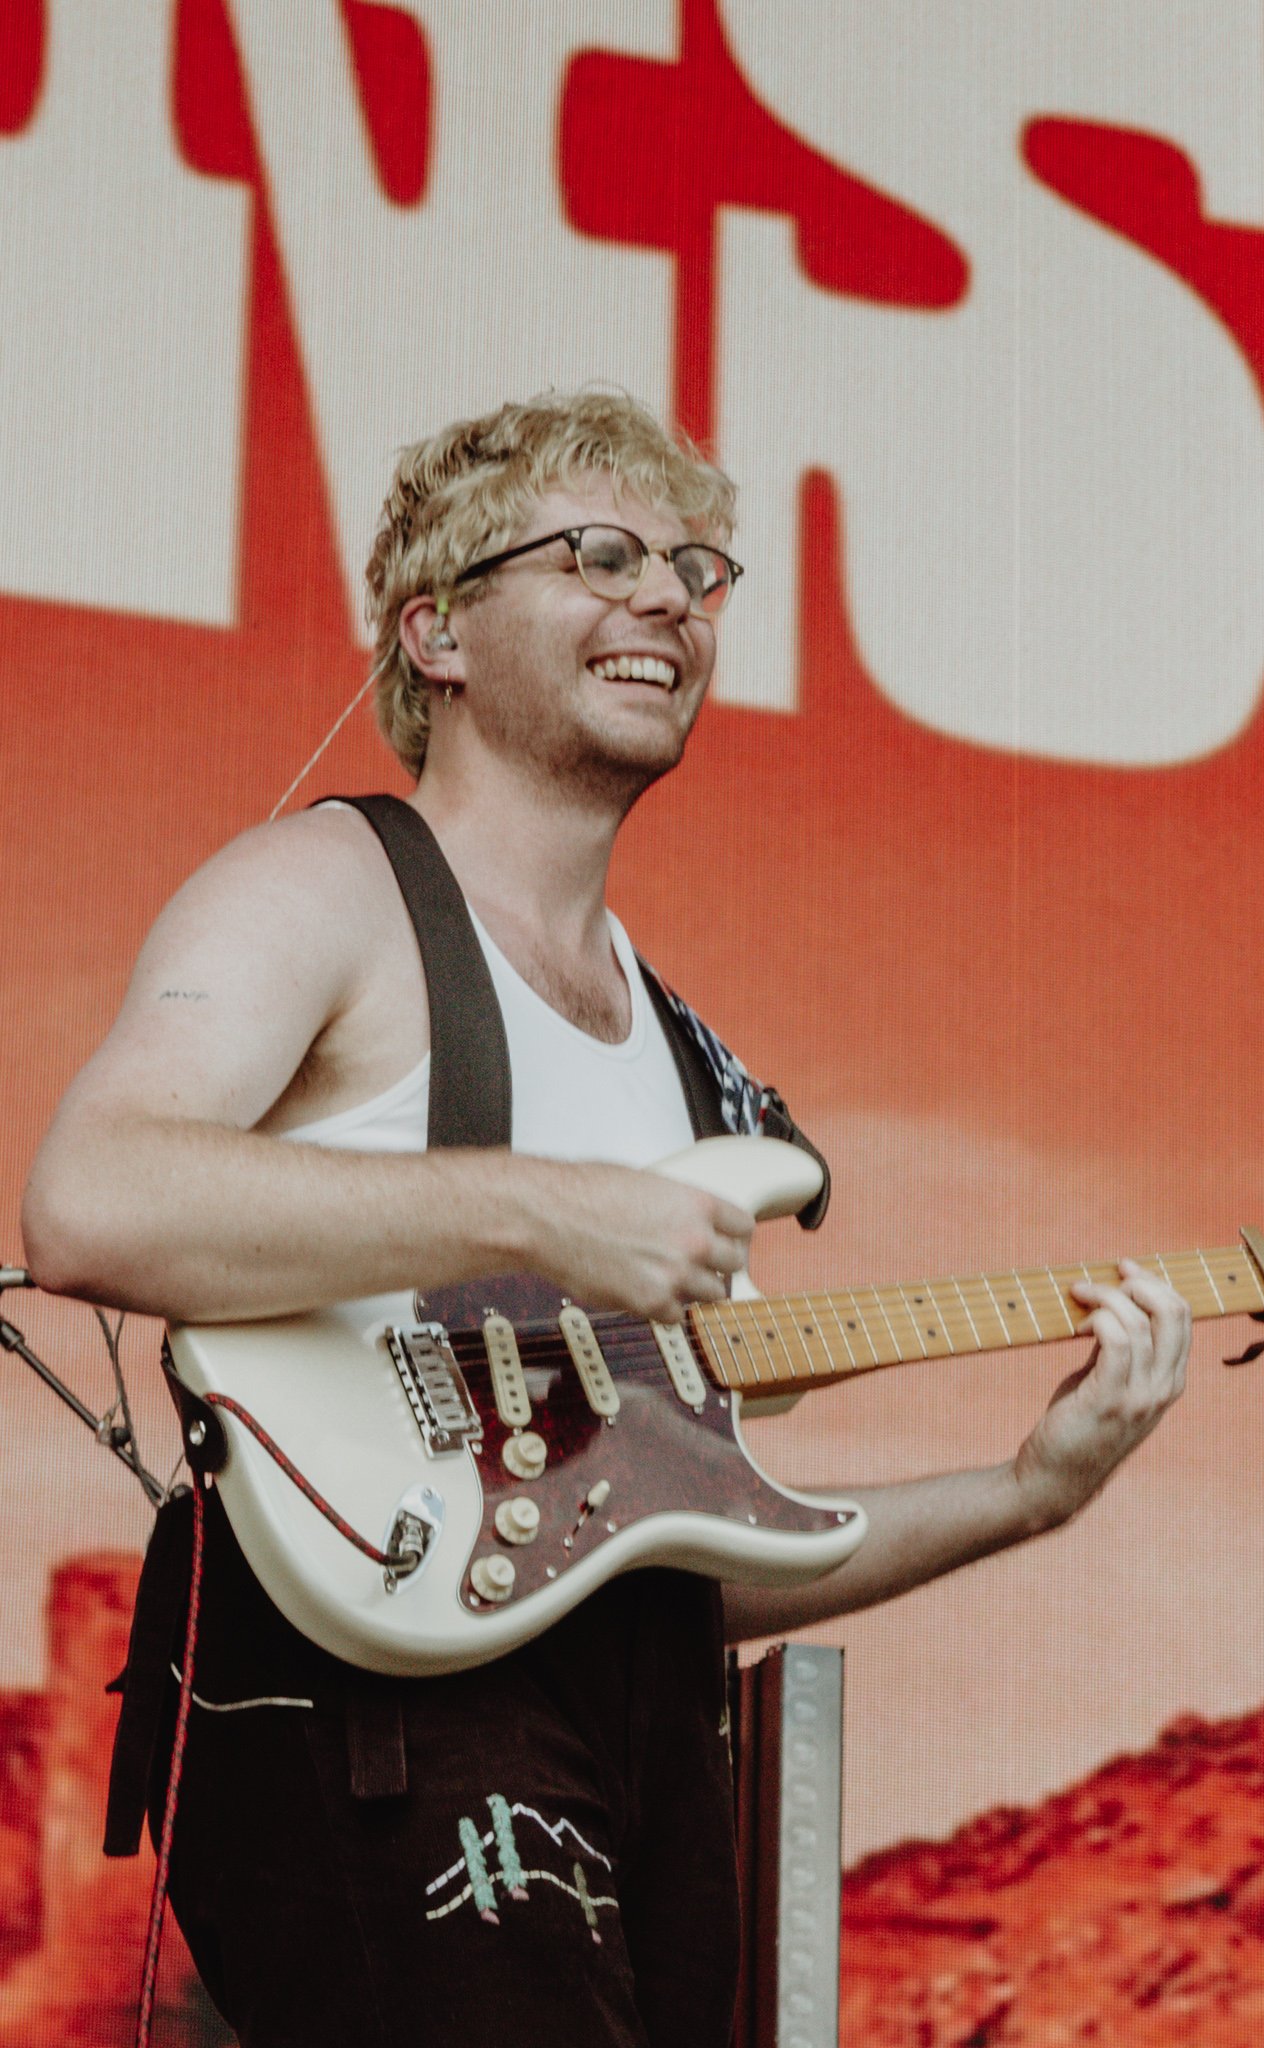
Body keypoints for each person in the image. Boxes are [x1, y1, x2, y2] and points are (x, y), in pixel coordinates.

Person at [20, 390, 1191, 2046]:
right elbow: (88, 1198)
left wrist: (1026, 1494)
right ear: (434, 632)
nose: (666, 598)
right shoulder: (330, 888)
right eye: (598, 555)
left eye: (691, 570)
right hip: (363, 1705)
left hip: (632, 1733)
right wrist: (534, 1211)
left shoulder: (687, 1066)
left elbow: (646, 1565)